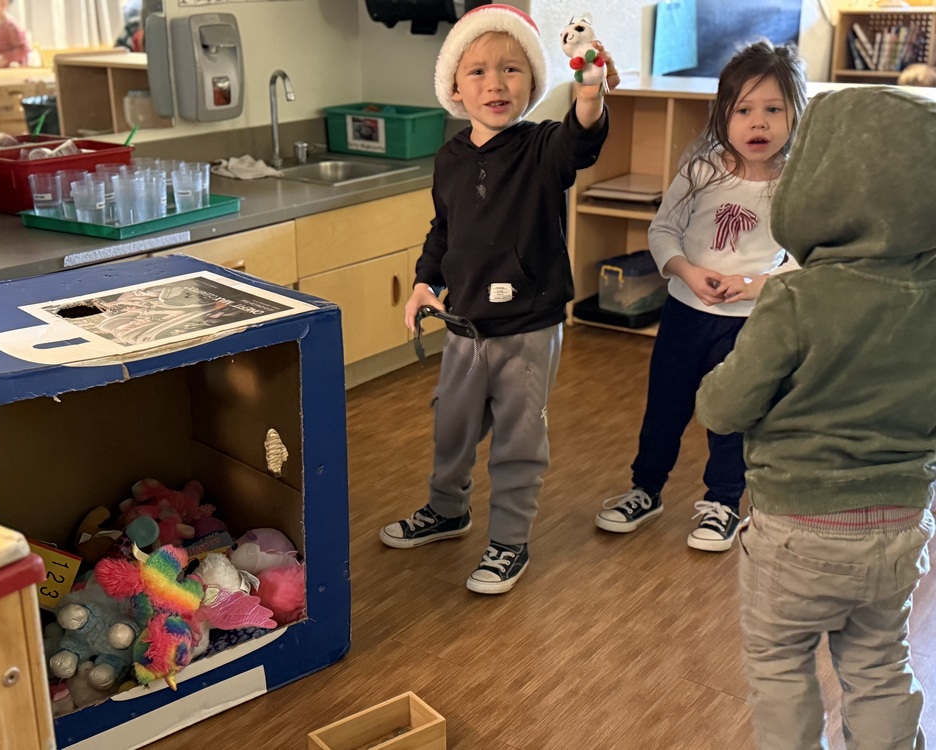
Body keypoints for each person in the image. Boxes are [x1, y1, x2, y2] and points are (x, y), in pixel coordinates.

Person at [694, 85, 936, 749]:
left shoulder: (796, 298)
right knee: (880, 663)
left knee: (779, 664)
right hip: (898, 527)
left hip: (797, 532)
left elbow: (724, 406)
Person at [378, 4, 617, 594]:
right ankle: (447, 509)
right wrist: (423, 284)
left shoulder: (543, 148)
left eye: (511, 70)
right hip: (464, 327)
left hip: (529, 329)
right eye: (479, 71)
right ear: (454, 87)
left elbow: (584, 134)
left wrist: (590, 87)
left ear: (533, 83)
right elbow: (444, 230)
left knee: (517, 440)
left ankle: (509, 542)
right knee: (451, 429)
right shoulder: (451, 158)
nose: (495, 83)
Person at [594, 40, 807, 552]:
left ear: (795, 114)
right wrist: (686, 272)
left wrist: (757, 285)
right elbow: (662, 232)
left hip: (753, 323)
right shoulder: (702, 171)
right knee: (665, 407)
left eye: (773, 110)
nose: (759, 123)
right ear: (722, 115)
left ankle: (722, 504)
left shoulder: (797, 183)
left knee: (732, 414)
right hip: (686, 315)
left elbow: (807, 257)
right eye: (744, 110)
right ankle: (646, 490)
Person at [0, 0, 31, 68]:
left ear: (3, 3)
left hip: (11, 70)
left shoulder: (11, 25)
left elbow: (23, 50)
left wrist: (7, 57)